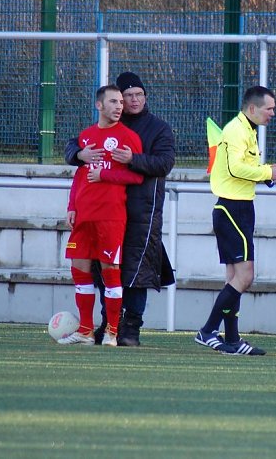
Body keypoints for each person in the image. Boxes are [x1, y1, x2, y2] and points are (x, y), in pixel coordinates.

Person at [65, 72, 176, 347]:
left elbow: (164, 163)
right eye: (127, 96)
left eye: (139, 94)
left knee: (138, 271)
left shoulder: (157, 128)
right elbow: (76, 152)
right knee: (102, 271)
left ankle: (129, 330)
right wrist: (78, 155)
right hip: (102, 210)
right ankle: (103, 325)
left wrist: (133, 159)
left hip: (142, 211)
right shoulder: (103, 127)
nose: (132, 100)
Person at [194, 86, 276, 356]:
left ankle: (233, 340)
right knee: (245, 276)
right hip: (232, 209)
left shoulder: (247, 129)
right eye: (269, 108)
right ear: (252, 108)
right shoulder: (236, 130)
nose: (272, 113)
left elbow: (240, 169)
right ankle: (208, 330)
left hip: (239, 207)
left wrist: (266, 176)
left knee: (234, 278)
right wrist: (268, 170)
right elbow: (235, 168)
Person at [60, 85, 144, 346]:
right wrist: (72, 206)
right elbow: (81, 173)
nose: (119, 106)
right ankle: (85, 331)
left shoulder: (128, 137)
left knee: (111, 273)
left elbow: (137, 176)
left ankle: (111, 332)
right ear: (99, 106)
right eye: (113, 102)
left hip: (110, 216)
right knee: (79, 270)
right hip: (83, 216)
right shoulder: (85, 136)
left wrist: (106, 175)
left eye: (121, 102)